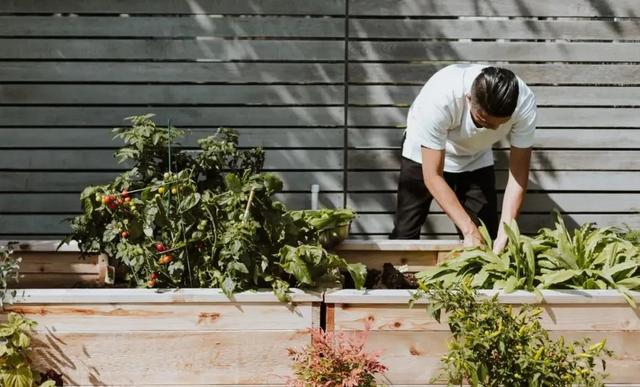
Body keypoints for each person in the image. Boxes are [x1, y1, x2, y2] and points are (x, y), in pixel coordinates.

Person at [389, 64, 536, 253]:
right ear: (468, 98)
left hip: (476, 156)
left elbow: (518, 175)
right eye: (483, 121)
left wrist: (506, 232)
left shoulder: (524, 103)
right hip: (423, 154)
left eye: (500, 124)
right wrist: (468, 230)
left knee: (487, 238)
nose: (492, 129)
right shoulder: (440, 98)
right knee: (405, 234)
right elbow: (433, 176)